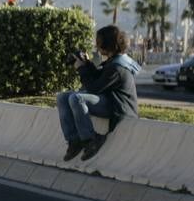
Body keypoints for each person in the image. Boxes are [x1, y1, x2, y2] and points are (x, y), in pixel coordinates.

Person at [57, 24, 141, 162]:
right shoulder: (114, 61)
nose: (97, 46)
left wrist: (81, 69)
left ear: (107, 45)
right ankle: (74, 141)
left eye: (99, 43)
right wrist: (87, 64)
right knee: (62, 97)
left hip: (118, 108)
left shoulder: (118, 67)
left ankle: (91, 140)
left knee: (77, 99)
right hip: (108, 100)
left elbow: (94, 88)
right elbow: (99, 77)